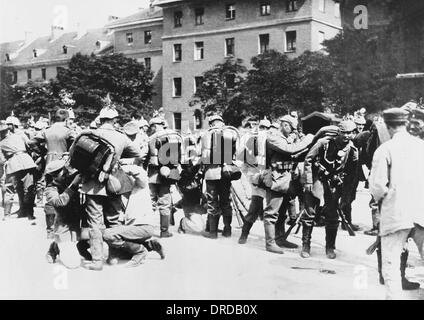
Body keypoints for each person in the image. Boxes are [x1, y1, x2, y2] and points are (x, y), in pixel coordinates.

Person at [74, 99, 144, 271]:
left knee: (94, 224)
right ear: (114, 120)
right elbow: (138, 153)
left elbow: (73, 155)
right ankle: (114, 256)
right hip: (114, 184)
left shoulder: (86, 134)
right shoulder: (121, 136)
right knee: (113, 222)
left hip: (91, 184)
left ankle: (97, 261)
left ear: (100, 119)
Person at [369, 108, 424, 299]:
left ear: (387, 125)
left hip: (396, 213)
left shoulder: (384, 149)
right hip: (421, 211)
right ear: (406, 123)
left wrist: (383, 200)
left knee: (391, 266)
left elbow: (377, 187)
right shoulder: (421, 146)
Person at [301, 120, 358, 259]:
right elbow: (308, 159)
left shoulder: (352, 150)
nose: (347, 136)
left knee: (332, 217)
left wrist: (346, 196)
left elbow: (352, 175)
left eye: (350, 133)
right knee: (310, 213)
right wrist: (308, 180)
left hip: (334, 184)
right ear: (338, 132)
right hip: (317, 179)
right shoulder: (324, 143)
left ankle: (330, 247)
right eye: (344, 132)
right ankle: (306, 245)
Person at [261, 116, 314, 254]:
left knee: (283, 212)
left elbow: (295, 154)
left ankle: (280, 238)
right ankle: (270, 243)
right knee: (272, 212)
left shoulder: (286, 138)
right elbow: (290, 150)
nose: (293, 132)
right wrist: (308, 139)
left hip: (287, 179)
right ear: (284, 125)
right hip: (276, 179)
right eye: (291, 128)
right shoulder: (273, 137)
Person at [103, 164, 165, 267]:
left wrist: (119, 168)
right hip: (133, 231)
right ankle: (150, 245)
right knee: (118, 254)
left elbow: (140, 171)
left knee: (107, 234)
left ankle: (140, 251)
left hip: (144, 227)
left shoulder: (140, 186)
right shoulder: (120, 195)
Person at [44, 160, 89, 269]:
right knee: (73, 264)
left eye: (65, 171)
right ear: (54, 176)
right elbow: (60, 202)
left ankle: (73, 246)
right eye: (61, 173)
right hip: (63, 226)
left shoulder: (70, 178)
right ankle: (53, 249)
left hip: (77, 223)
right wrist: (73, 185)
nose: (65, 173)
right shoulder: (50, 189)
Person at [201, 114, 240, 239]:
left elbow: (202, 155)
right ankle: (227, 229)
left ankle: (212, 233)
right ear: (221, 122)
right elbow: (237, 152)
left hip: (211, 172)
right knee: (226, 201)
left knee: (212, 201)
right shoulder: (231, 133)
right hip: (226, 172)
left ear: (211, 123)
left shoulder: (206, 134)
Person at [145, 117, 182, 238]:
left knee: (150, 202)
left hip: (154, 175)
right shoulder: (176, 136)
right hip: (169, 174)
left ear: (154, 126)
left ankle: (147, 230)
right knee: (165, 202)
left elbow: (149, 158)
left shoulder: (152, 138)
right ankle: (164, 231)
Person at [238, 118, 270, 244]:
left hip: (256, 174)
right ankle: (273, 238)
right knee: (269, 208)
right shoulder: (268, 137)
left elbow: (240, 158)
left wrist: (248, 174)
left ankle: (244, 235)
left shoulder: (248, 137)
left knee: (256, 206)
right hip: (264, 175)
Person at [0, 117, 37, 221]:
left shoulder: (1, 144)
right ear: (8, 129)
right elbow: (30, 147)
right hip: (27, 162)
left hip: (13, 165)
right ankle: (29, 214)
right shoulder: (20, 136)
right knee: (29, 188)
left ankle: (7, 215)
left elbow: (1, 161)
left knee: (9, 190)